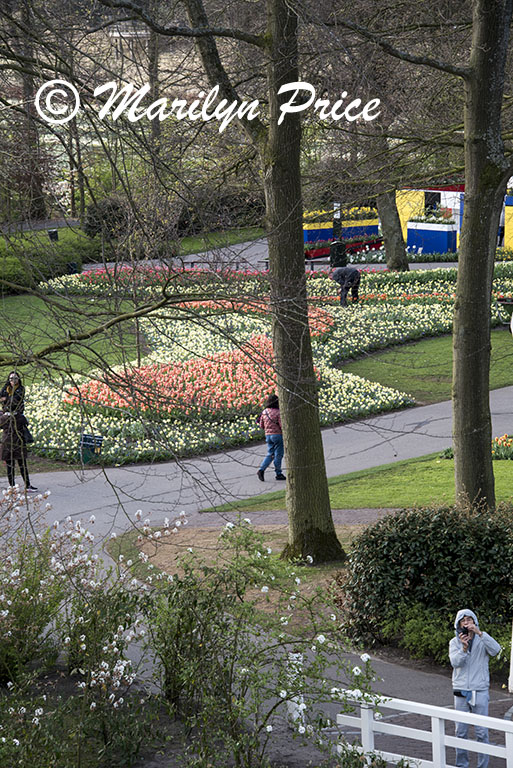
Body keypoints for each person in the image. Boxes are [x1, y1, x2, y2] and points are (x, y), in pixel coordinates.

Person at [449, 609, 501, 768]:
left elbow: (496, 650)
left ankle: (482, 766)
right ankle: (461, 765)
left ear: (474, 622)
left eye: (469, 620)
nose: (466, 623)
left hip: (480, 690)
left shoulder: (482, 639)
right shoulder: (454, 642)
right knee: (460, 732)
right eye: (463, 620)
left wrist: (479, 633)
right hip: (461, 691)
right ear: (458, 624)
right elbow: (455, 663)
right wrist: (464, 649)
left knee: (482, 732)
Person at [256, 394, 285, 481]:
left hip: (268, 436)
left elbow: (261, 425)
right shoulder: (278, 412)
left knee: (270, 454)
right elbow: (282, 426)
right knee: (278, 455)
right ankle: (278, 473)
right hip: (277, 435)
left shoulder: (264, 412)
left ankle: (261, 469)